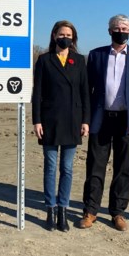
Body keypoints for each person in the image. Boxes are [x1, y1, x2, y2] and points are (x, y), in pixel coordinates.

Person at [77, 14, 129, 232]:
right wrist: (85, 119)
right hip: (101, 119)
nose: (121, 30)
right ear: (109, 31)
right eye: (117, 27)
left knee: (123, 169)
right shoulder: (96, 55)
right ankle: (90, 211)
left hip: (127, 121)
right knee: (95, 167)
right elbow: (87, 91)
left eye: (125, 27)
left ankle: (118, 212)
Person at [31, 20, 89, 232]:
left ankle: (63, 210)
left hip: (73, 121)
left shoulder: (79, 60)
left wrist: (86, 120)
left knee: (67, 168)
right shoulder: (45, 60)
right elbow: (37, 92)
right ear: (54, 35)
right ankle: (50, 209)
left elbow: (85, 93)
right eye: (61, 33)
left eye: (69, 34)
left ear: (73, 38)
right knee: (50, 166)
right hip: (49, 121)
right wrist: (36, 120)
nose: (65, 37)